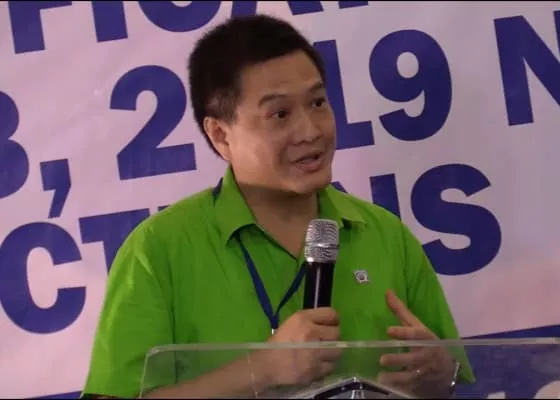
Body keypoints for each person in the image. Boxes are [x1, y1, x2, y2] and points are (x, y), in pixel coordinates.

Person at [82, 13, 473, 399]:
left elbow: (448, 381)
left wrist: (441, 378)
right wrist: (263, 369)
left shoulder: (385, 235)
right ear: (221, 135)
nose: (310, 131)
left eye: (317, 102)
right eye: (280, 114)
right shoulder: (158, 249)